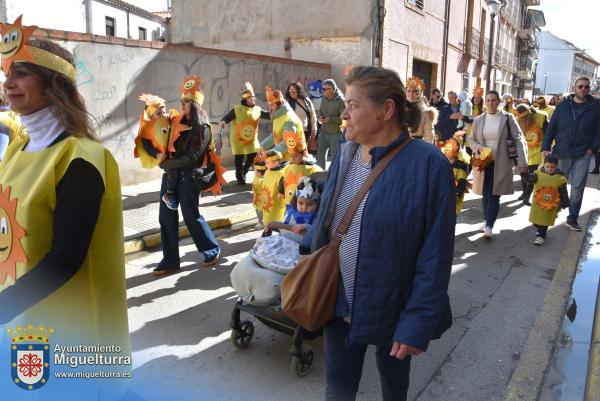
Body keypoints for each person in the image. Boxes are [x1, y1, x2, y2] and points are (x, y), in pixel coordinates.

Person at [302, 66, 454, 401]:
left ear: (386, 110)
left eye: (354, 105)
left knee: (393, 386)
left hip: (393, 305)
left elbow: (436, 255)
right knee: (338, 389)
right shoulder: (345, 154)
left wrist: (416, 322)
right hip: (338, 300)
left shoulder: (429, 166)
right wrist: (304, 239)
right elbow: (333, 221)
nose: (344, 113)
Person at [0, 29, 129, 400]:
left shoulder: (82, 159)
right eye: (7, 73)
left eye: (21, 73)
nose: (8, 83)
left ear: (54, 83)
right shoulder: (18, 149)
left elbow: (65, 260)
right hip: (24, 319)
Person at [154, 75, 221, 276]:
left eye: (186, 101)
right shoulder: (176, 122)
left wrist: (167, 163)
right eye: (181, 100)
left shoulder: (204, 128)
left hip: (189, 177)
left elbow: (193, 157)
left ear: (195, 104)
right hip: (171, 176)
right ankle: (170, 260)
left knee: (191, 215)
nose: (182, 104)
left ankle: (211, 248)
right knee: (165, 217)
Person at [542, 76, 600, 231]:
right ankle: (550, 213)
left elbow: (598, 132)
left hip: (583, 154)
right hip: (562, 152)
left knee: (577, 189)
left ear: (589, 89)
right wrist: (545, 147)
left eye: (586, 87)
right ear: (574, 88)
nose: (583, 89)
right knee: (556, 184)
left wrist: (592, 149)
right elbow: (551, 128)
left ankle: (572, 218)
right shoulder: (563, 106)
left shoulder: (595, 107)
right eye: (580, 86)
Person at [468, 90, 528, 240]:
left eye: (494, 100)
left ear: (499, 101)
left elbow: (519, 139)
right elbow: (471, 139)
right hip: (483, 161)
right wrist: (478, 148)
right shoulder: (479, 119)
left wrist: (522, 162)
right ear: (485, 101)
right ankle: (487, 220)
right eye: (488, 100)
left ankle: (489, 226)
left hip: (501, 162)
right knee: (485, 193)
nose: (490, 103)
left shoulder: (508, 118)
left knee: (494, 194)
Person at [219, 82, 270, 185]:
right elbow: (228, 117)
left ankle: (244, 170)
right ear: (246, 99)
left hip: (252, 139)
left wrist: (276, 110)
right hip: (238, 139)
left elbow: (269, 115)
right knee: (239, 158)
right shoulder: (237, 109)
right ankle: (239, 176)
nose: (254, 99)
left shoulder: (257, 109)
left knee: (252, 156)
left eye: (254, 98)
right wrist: (223, 121)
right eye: (252, 98)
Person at [527, 154, 569, 246]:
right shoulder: (538, 174)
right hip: (538, 204)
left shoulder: (559, 178)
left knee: (545, 221)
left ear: (556, 166)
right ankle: (540, 230)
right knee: (536, 221)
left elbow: (563, 192)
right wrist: (525, 174)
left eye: (552, 167)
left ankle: (541, 236)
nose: (549, 169)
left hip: (550, 204)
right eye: (547, 167)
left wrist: (565, 202)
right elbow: (529, 179)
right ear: (543, 165)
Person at [260, 86, 305, 161]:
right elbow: (275, 136)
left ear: (279, 104)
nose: (269, 108)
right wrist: (260, 147)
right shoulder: (279, 115)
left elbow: (287, 143)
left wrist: (270, 153)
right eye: (269, 105)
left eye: (272, 105)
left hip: (293, 161)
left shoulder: (289, 119)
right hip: (284, 159)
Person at [515, 104, 548, 205]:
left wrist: (546, 149)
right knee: (523, 173)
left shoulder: (541, 117)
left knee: (533, 175)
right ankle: (524, 192)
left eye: (523, 118)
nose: (521, 121)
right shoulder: (518, 120)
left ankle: (527, 196)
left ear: (528, 115)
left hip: (538, 150)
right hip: (524, 150)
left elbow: (548, 134)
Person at [317, 78, 345, 169]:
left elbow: (344, 119)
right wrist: (320, 117)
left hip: (336, 134)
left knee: (334, 159)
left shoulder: (341, 100)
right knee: (320, 157)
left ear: (332, 89)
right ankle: (320, 177)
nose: (322, 91)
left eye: (325, 89)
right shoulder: (324, 98)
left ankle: (332, 179)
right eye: (322, 88)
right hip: (324, 132)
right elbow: (320, 111)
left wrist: (331, 119)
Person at [285, 81, 318, 151]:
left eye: (294, 90)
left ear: (298, 91)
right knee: (293, 153)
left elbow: (313, 115)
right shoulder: (288, 103)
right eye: (290, 91)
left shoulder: (307, 101)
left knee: (303, 153)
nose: (292, 92)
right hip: (293, 132)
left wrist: (314, 128)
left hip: (305, 131)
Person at [441, 137, 469, 215]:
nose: (449, 161)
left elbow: (462, 184)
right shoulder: (443, 165)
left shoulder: (460, 169)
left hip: (454, 198)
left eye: (451, 159)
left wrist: (457, 195)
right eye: (447, 158)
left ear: (456, 158)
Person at [406, 76, 438, 143]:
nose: (411, 94)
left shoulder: (426, 112)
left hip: (416, 146)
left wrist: (426, 152)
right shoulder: (400, 109)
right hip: (401, 147)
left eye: (414, 91)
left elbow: (429, 136)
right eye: (409, 91)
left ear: (419, 93)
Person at [261, 149, 286, 232]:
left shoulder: (281, 173)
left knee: (274, 218)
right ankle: (266, 230)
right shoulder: (268, 171)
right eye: (266, 162)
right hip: (267, 200)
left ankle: (270, 231)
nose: (266, 165)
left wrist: (281, 192)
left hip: (275, 202)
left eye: (268, 163)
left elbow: (282, 183)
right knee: (266, 217)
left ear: (275, 162)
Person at [252, 154, 266, 225]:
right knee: (257, 210)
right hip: (257, 199)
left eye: (255, 170)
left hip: (262, 201)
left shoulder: (262, 180)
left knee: (260, 211)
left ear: (258, 171)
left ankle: (261, 223)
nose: (254, 171)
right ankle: (260, 221)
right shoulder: (256, 177)